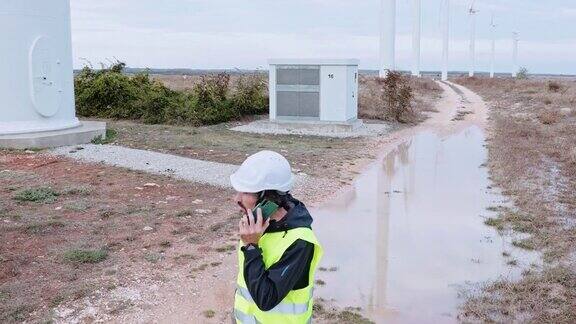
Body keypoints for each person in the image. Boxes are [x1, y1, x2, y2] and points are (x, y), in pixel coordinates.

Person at [230, 150, 324, 324]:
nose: (236, 199)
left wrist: (251, 247)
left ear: (269, 196)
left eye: (246, 192)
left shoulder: (300, 242)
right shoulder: (257, 227)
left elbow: (266, 299)